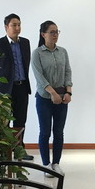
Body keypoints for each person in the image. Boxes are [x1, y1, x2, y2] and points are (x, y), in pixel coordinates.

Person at [0, 13, 34, 159]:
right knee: (5, 122)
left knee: (20, 120)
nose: (17, 28)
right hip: (4, 90)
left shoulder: (25, 43)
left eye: (19, 25)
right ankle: (5, 151)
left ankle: (19, 150)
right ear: (6, 27)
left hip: (22, 87)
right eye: (14, 25)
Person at [31, 20, 73, 176]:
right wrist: (53, 94)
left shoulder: (63, 52)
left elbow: (68, 72)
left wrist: (68, 92)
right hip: (44, 98)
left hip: (62, 98)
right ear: (43, 34)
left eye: (57, 32)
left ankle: (56, 163)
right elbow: (39, 77)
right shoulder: (37, 53)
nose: (55, 35)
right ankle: (46, 165)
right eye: (52, 32)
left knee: (59, 132)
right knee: (45, 132)